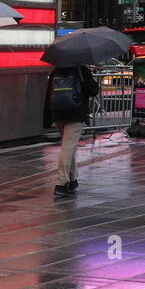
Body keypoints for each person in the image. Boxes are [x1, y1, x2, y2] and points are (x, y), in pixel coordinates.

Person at [45, 58, 100, 198]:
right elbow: (93, 91)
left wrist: (47, 117)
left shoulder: (56, 70)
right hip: (75, 114)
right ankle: (61, 183)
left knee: (68, 147)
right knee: (68, 148)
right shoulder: (81, 70)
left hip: (58, 113)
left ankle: (72, 180)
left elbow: (48, 94)